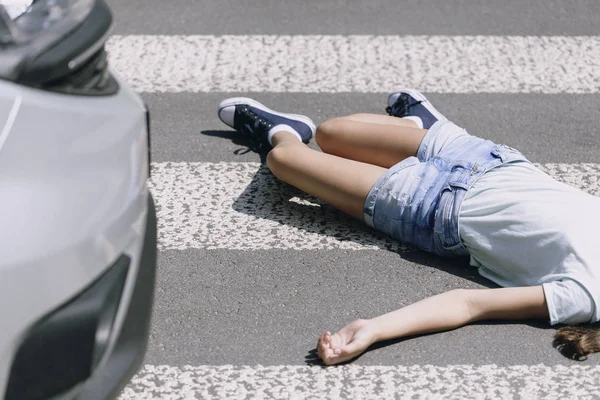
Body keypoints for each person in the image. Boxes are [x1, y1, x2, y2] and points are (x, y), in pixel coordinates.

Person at [217, 89, 600, 365]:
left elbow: (468, 304)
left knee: (285, 159)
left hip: (430, 207)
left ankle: (281, 131)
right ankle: (425, 123)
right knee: (332, 132)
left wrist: (374, 329)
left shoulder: (585, 298)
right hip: (488, 160)